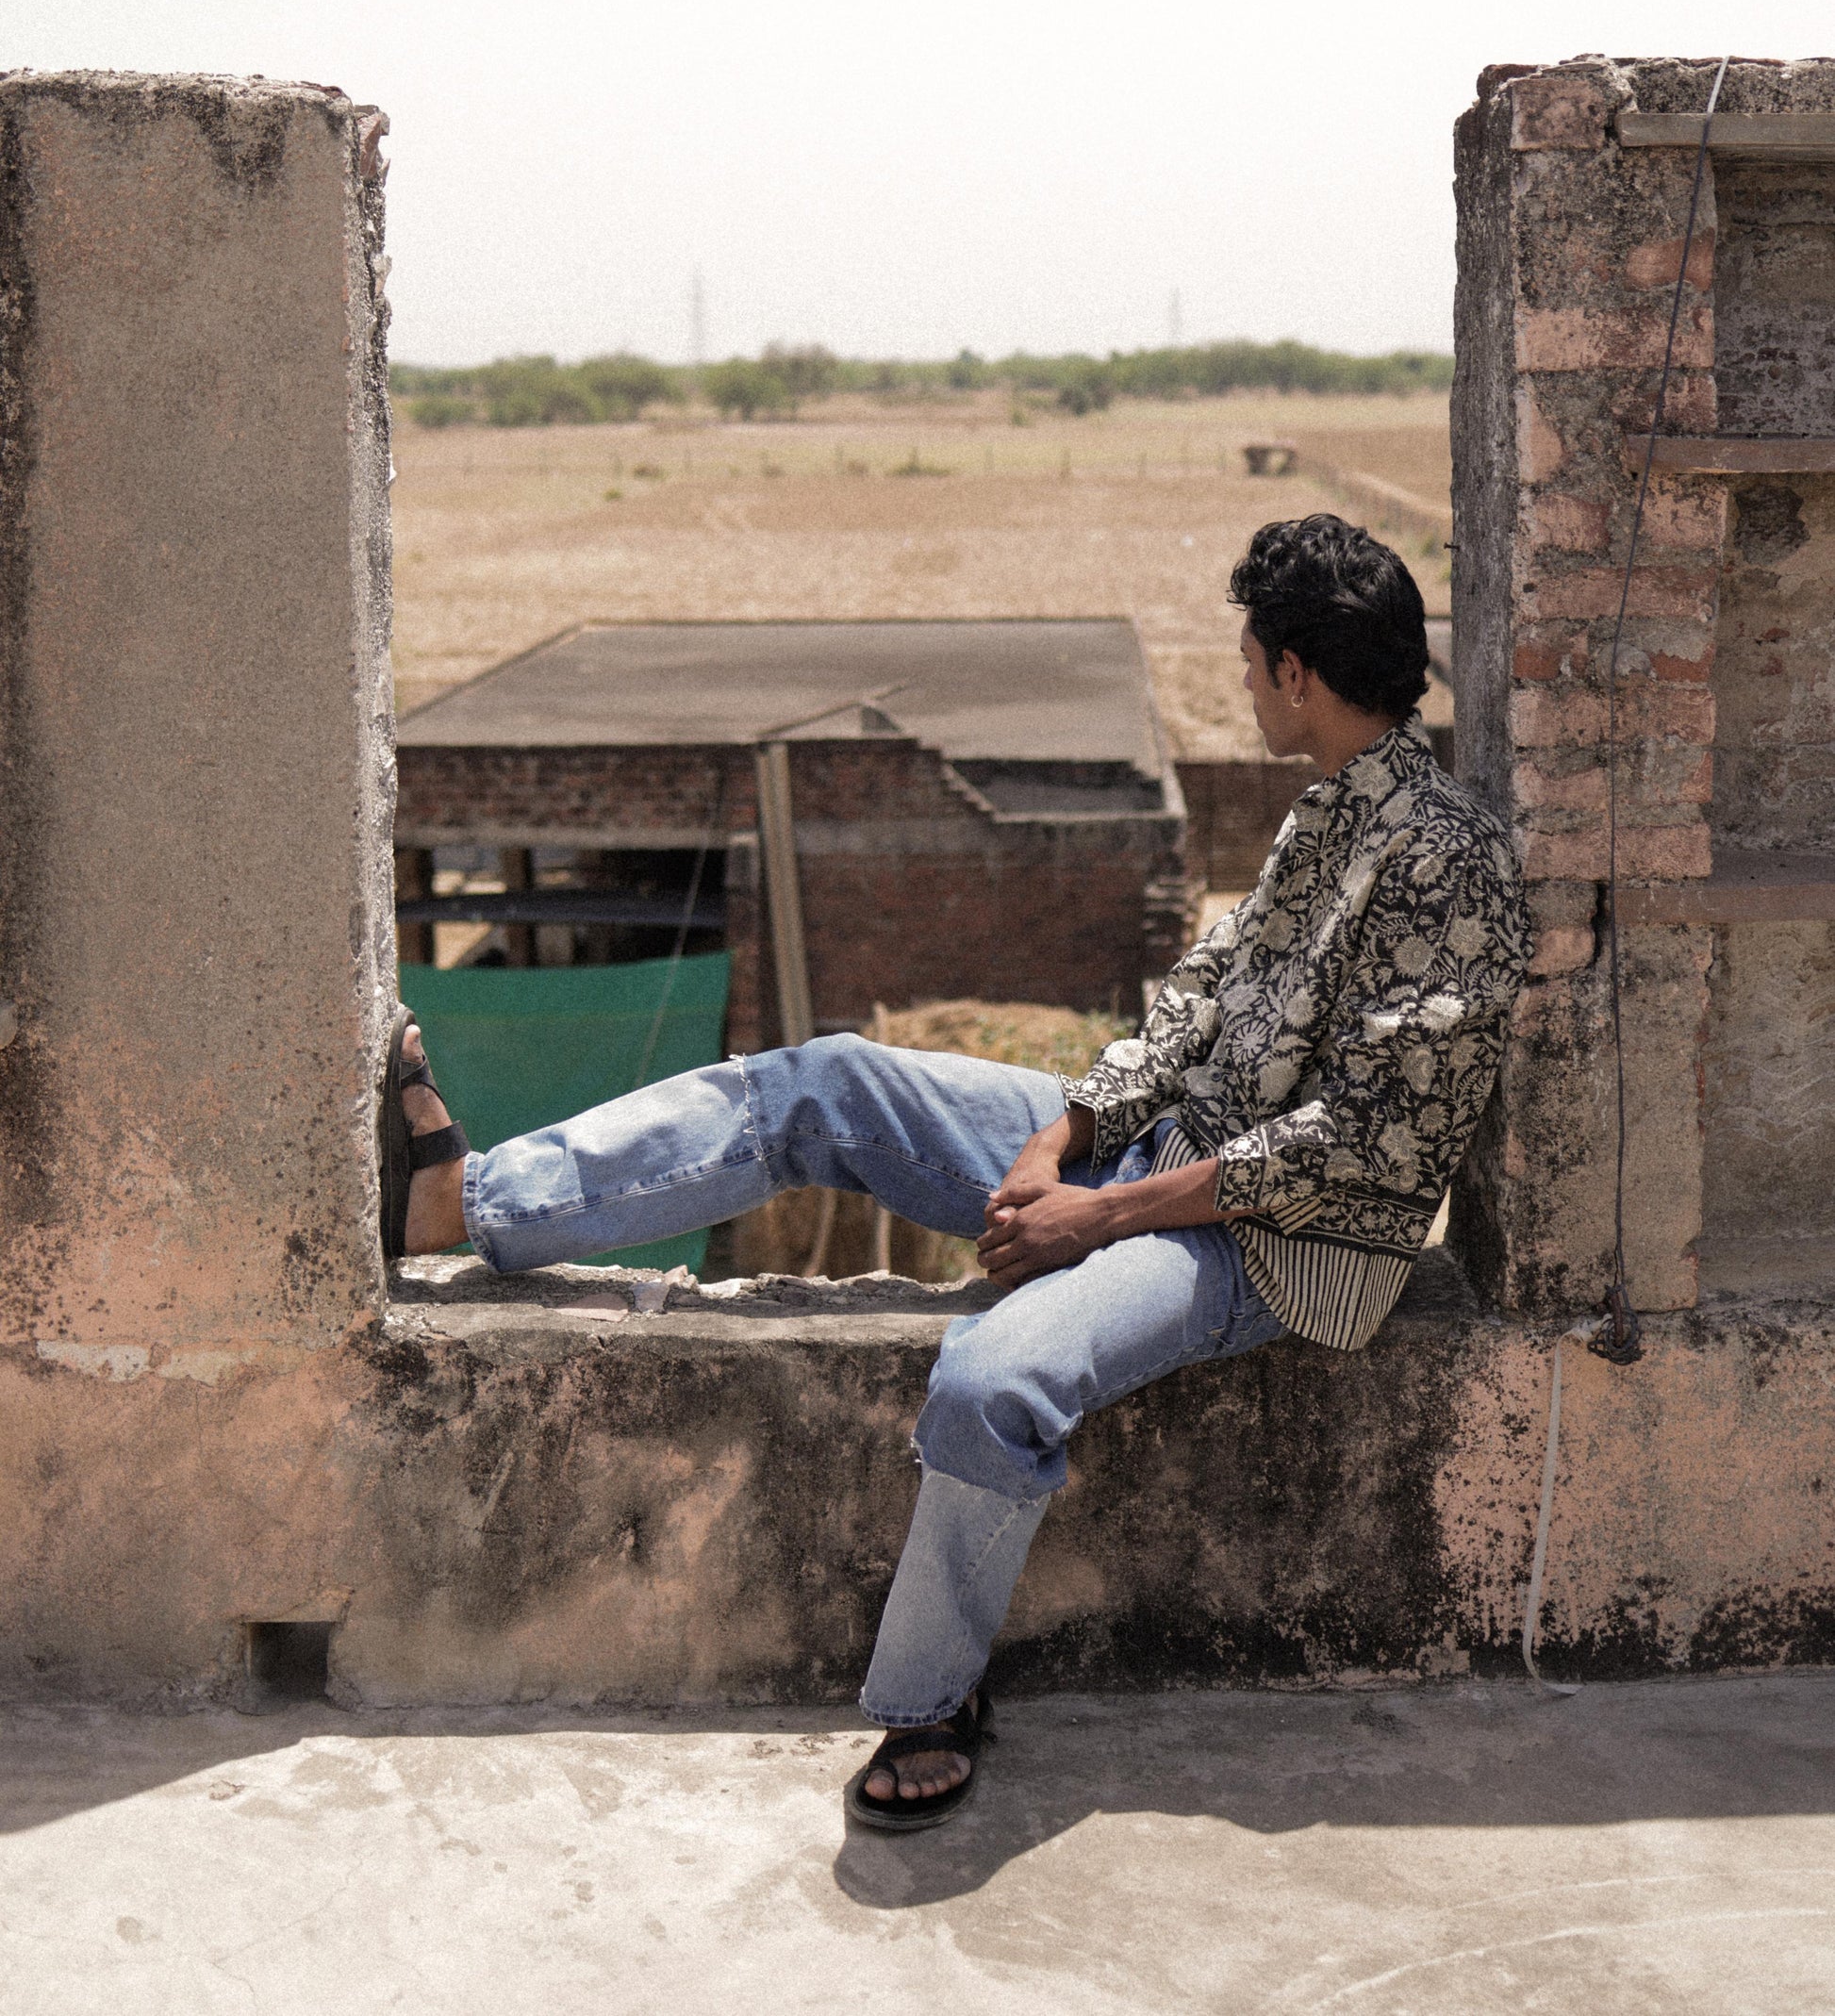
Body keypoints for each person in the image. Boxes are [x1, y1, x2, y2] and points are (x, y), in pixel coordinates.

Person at [380, 514, 1529, 1830]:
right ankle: (465, 1202)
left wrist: (1102, 1213)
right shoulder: (1321, 815)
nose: (1240, 681)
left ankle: (928, 1696)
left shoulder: (1451, 858)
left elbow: (1372, 1140)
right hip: (1142, 1160)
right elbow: (1194, 1001)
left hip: (1264, 1241)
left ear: (1292, 676)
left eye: (1247, 659)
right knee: (827, 1077)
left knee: (991, 1376)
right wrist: (1067, 1134)